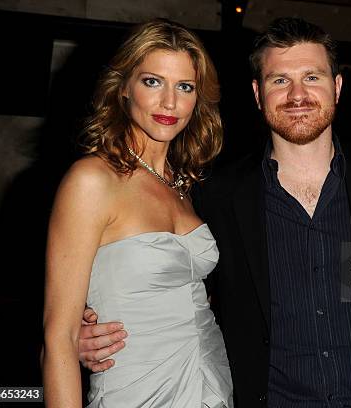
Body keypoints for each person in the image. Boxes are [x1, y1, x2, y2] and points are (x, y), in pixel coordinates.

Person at [78, 18, 351, 407]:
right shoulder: (214, 194)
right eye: (280, 80)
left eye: (312, 77)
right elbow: (171, 282)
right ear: (257, 92)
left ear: (337, 87)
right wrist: (82, 332)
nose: (297, 95)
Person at [42, 19, 233, 407]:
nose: (169, 103)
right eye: (152, 82)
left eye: (185, 87)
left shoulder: (185, 185)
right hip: (137, 392)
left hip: (210, 386)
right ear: (123, 87)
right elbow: (57, 338)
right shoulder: (92, 180)